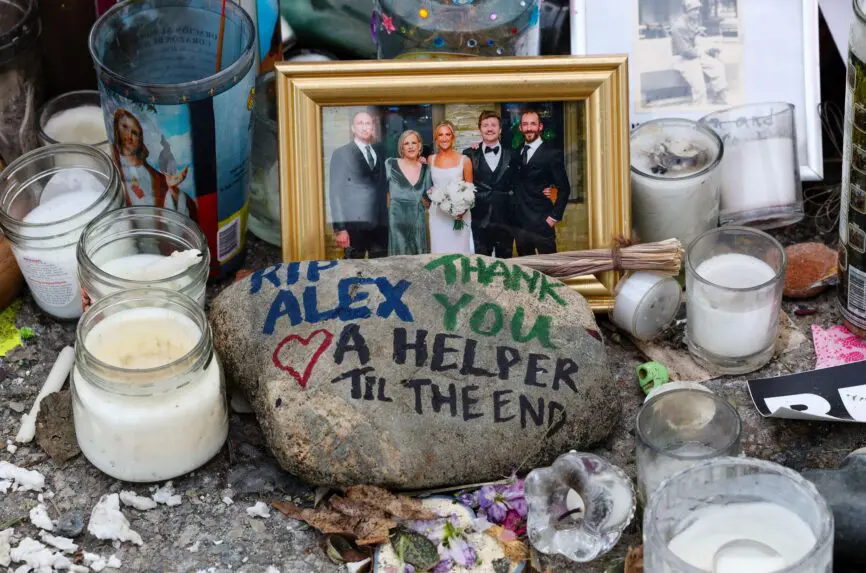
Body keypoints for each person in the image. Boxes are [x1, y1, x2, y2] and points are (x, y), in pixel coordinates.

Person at [112, 109, 195, 218]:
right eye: (125, 127)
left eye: (135, 133)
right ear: (116, 128)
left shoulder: (156, 178)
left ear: (140, 139)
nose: (129, 135)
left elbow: (180, 217)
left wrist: (173, 191)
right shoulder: (113, 164)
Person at [328, 109, 388, 259]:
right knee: (353, 269)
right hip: (354, 227)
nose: (365, 127)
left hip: (380, 226)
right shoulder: (342, 154)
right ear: (353, 128)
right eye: (360, 123)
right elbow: (335, 193)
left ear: (373, 128)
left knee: (381, 268)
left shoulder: (380, 151)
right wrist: (340, 229)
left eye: (368, 123)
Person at [513, 109, 570, 256]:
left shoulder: (552, 153)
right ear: (520, 128)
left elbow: (564, 188)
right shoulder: (516, 152)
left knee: (549, 266)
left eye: (533, 124)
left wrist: (554, 217)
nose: (529, 128)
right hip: (520, 224)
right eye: (525, 124)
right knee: (525, 267)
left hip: (542, 222)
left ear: (540, 126)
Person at [462, 110, 518, 258]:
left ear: (500, 129)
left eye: (493, 125)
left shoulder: (512, 154)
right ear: (479, 129)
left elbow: (520, 182)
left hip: (506, 219)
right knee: (481, 263)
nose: (489, 129)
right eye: (485, 125)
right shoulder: (469, 154)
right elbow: (461, 183)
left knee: (505, 262)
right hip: (479, 218)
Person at [427, 120, 474, 255]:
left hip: (459, 216)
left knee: (459, 253)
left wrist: (461, 211)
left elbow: (470, 190)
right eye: (440, 135)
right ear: (436, 138)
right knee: (439, 252)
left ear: (453, 137)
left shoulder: (464, 160)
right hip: (437, 215)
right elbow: (428, 186)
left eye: (448, 134)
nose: (444, 138)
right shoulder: (430, 160)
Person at [669, 0, 728, 105]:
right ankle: (699, 108)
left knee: (718, 67)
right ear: (687, 10)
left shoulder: (691, 21)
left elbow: (695, 38)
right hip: (683, 59)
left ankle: (720, 98)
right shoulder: (678, 26)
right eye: (694, 9)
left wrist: (709, 48)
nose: (697, 12)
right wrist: (702, 52)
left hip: (694, 54)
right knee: (699, 87)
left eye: (698, 9)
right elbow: (685, 51)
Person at [385, 130, 430, 255]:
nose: (410, 147)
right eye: (406, 143)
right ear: (401, 147)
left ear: (419, 146)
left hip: (418, 225)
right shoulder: (390, 164)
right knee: (397, 261)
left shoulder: (426, 169)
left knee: (418, 261)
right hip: (396, 223)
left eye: (414, 143)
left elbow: (429, 200)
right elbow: (380, 192)